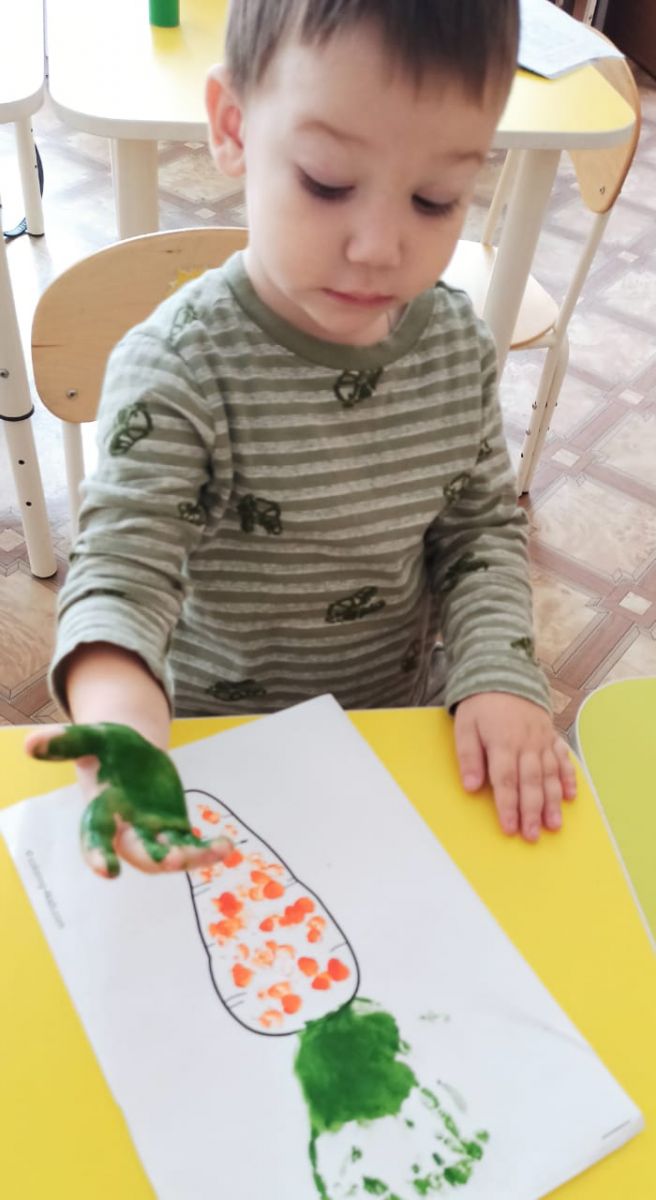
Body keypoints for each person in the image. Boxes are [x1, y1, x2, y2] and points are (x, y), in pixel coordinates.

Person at [26, 0, 576, 876]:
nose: (380, 247)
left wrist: (499, 673)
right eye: (326, 182)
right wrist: (123, 725)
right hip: (213, 743)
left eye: (435, 199)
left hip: (387, 728)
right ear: (233, 128)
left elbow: (477, 531)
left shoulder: (456, 346)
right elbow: (123, 571)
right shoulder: (179, 368)